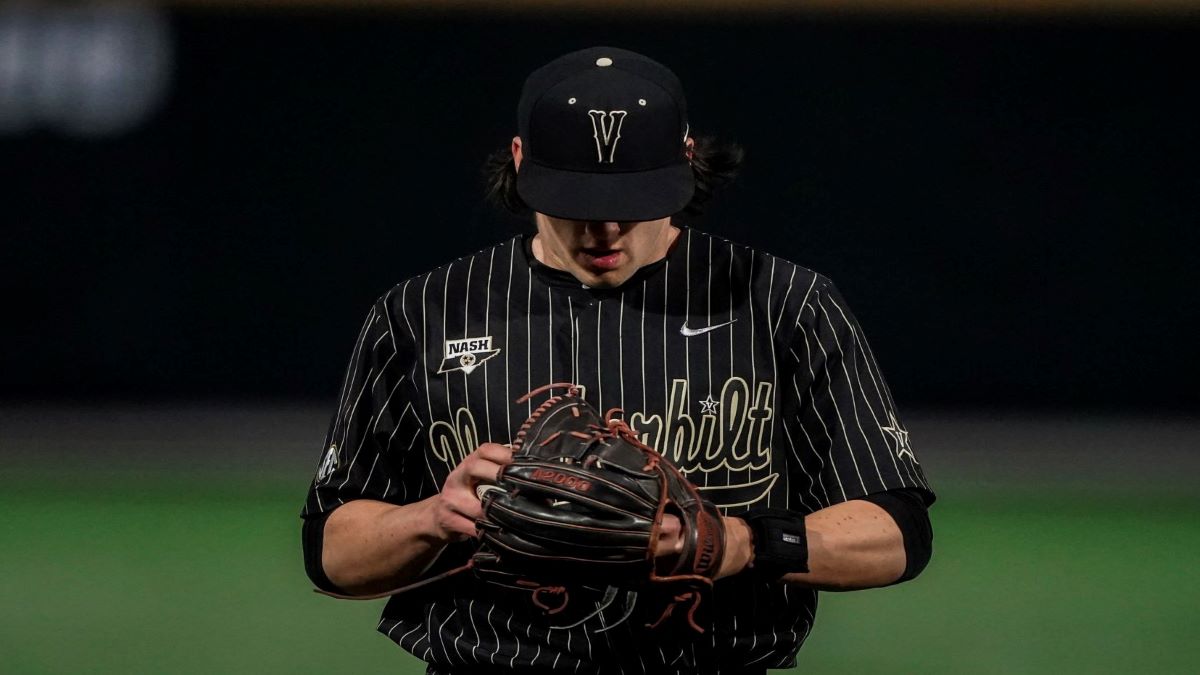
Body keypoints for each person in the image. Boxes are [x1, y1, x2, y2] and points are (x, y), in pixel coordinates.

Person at [301, 46, 935, 675]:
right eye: (575, 199)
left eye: (632, 198)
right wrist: (432, 518)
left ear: (685, 160)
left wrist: (736, 543)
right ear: (521, 161)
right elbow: (332, 550)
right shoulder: (423, 311)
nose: (603, 229)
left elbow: (895, 534)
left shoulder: (784, 303)